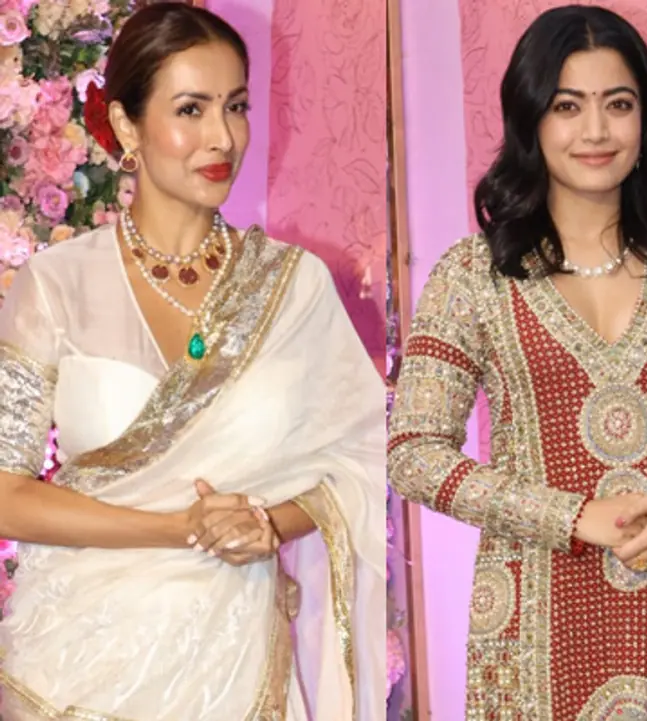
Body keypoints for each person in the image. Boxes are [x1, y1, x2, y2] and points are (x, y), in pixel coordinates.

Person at [388, 5, 647, 718]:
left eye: (618, 105)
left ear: (645, 119)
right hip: (534, 619)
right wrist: (573, 517)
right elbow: (414, 454)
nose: (595, 131)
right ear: (530, 120)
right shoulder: (475, 275)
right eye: (567, 107)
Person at [0, 4, 385, 718]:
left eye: (236, 106)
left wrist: (269, 524)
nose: (222, 137)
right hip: (74, 667)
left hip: (233, 661)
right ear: (126, 127)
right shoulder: (56, 285)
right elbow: (4, 492)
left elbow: (356, 461)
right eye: (191, 109)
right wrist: (182, 527)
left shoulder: (290, 288)